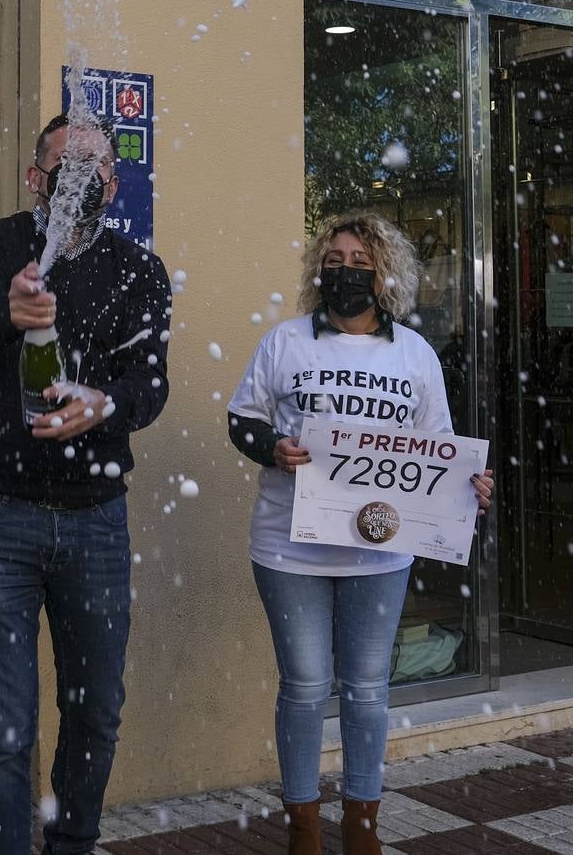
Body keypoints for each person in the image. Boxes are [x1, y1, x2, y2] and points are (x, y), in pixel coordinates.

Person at [226, 212, 494, 855]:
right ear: (320, 268)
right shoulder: (285, 343)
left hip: (380, 552)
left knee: (368, 689)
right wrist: (271, 447)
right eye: (335, 259)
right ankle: (305, 830)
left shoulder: (415, 353)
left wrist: (471, 487)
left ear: (385, 275)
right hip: (289, 548)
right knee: (305, 686)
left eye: (360, 261)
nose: (346, 270)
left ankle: (363, 829)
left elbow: (436, 451)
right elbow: (242, 419)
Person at [0, 114, 171, 855]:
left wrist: (102, 405)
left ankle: (72, 844)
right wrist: (8, 312)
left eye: (96, 168)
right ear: (34, 177)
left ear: (113, 182)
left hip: (95, 518)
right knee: (4, 729)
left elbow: (150, 384)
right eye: (64, 164)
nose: (82, 178)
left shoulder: (139, 268)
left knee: (97, 710)